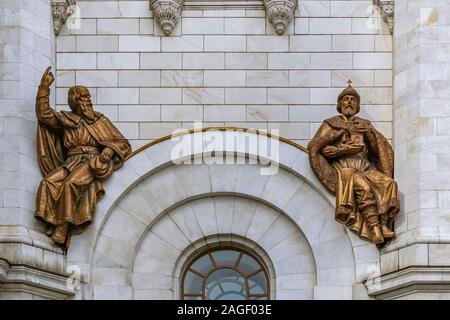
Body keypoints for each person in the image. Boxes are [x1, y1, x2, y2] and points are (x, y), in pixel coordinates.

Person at [35, 67, 132, 247]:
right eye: (82, 98)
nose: (87, 101)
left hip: (91, 161)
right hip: (71, 161)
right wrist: (44, 88)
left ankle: (63, 227)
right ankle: (51, 220)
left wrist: (109, 149)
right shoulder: (66, 119)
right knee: (47, 182)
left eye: (88, 97)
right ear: (74, 101)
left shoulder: (99, 120)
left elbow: (123, 143)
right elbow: (44, 115)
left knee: (71, 183)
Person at [308, 82, 399, 245]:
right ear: (340, 104)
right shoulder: (331, 123)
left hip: (365, 166)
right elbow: (316, 146)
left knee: (389, 183)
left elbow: (375, 149)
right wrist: (338, 149)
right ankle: (374, 227)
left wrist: (369, 134)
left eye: (352, 99)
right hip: (345, 167)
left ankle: (384, 224)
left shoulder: (364, 124)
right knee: (363, 188)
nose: (349, 102)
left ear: (357, 105)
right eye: (346, 99)